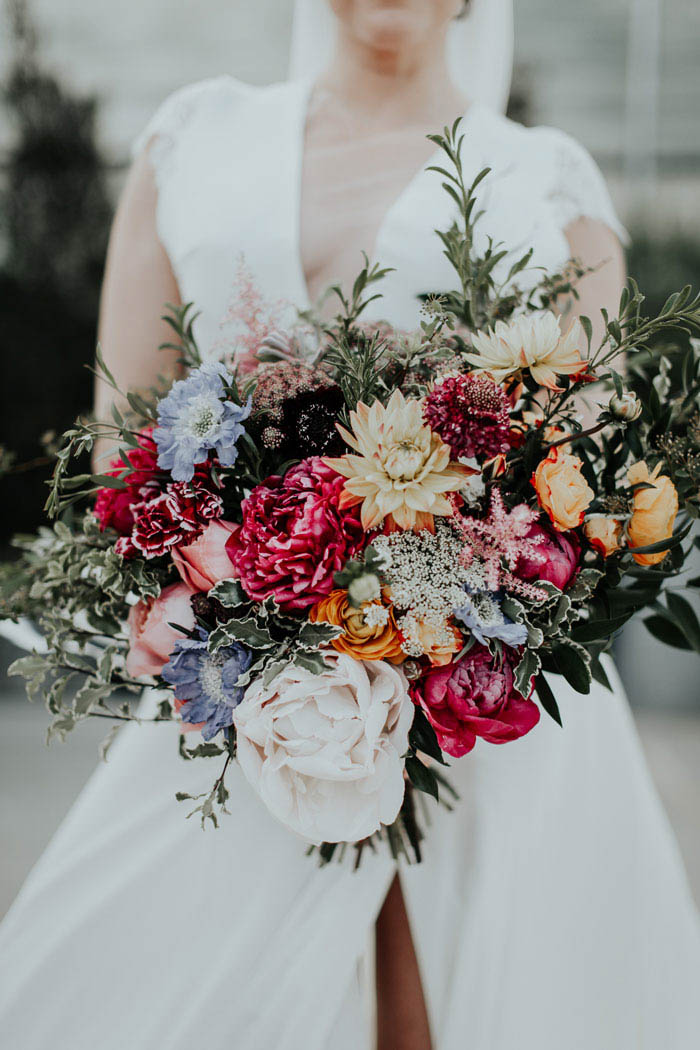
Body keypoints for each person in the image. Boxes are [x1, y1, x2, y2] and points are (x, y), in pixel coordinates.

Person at [1, 2, 699, 1048]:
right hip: (241, 687)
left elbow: (580, 469)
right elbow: (124, 440)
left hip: (484, 686)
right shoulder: (193, 139)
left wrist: (439, 602)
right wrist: (258, 593)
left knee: (474, 988)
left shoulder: (546, 179)